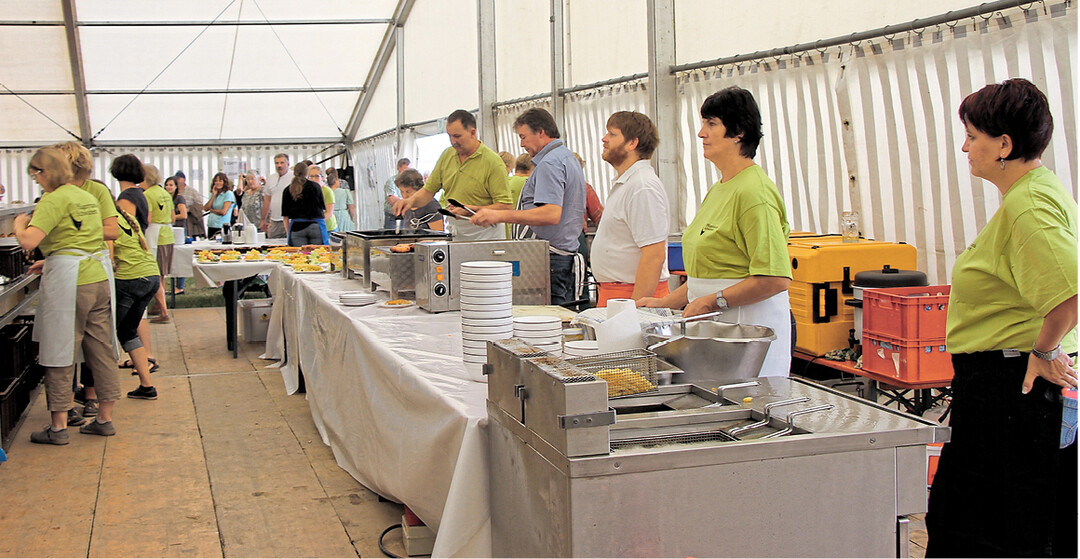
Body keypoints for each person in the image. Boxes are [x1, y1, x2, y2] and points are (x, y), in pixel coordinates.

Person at [925, 78, 1078, 558]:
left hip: (1014, 385)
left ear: (1004, 145)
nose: (965, 147)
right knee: (980, 519)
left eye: (972, 136)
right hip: (999, 383)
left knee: (994, 528)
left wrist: (1043, 350)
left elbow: (1070, 291)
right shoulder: (1028, 195)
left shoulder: (1029, 204)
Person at [639, 87, 792, 377]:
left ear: (738, 133)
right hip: (719, 330)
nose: (701, 133)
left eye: (711, 124)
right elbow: (708, 276)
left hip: (748, 333)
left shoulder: (753, 194)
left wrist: (712, 301)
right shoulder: (721, 188)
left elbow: (774, 278)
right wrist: (664, 303)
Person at [16, 146, 120, 443]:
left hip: (70, 282)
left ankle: (59, 426)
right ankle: (104, 417)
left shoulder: (53, 199)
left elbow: (28, 240)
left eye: (35, 174)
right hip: (98, 276)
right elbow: (85, 236)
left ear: (45, 172)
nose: (35, 180)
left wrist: (20, 224)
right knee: (101, 348)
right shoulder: (86, 196)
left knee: (60, 346)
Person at [470, 108, 586, 304]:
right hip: (563, 256)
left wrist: (500, 216)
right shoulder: (566, 157)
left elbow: (550, 214)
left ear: (541, 131)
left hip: (551, 258)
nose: (522, 144)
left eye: (524, 137)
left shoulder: (549, 163)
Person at [394, 110, 513, 241]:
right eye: (449, 136)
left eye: (457, 136)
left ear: (473, 133)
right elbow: (428, 191)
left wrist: (470, 210)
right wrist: (409, 202)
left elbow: (505, 206)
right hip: (456, 231)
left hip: (486, 234)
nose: (453, 141)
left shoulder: (493, 162)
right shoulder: (447, 155)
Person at [591, 111, 670, 306]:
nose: (604, 139)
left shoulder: (642, 186)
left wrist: (634, 311)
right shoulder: (628, 183)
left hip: (631, 295)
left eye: (612, 134)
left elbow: (654, 255)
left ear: (632, 143)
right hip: (616, 294)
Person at [108, 155, 160, 401]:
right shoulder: (140, 197)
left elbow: (111, 245)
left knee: (107, 331)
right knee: (128, 329)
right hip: (150, 274)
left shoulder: (123, 203)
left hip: (130, 276)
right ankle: (146, 385)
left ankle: (96, 392)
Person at [141, 164, 174, 324]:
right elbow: (173, 217)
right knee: (161, 275)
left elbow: (147, 219)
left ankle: (163, 311)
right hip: (168, 234)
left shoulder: (147, 194)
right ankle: (160, 306)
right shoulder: (165, 193)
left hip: (155, 234)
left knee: (154, 274)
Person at [281, 161, 328, 247]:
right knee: (319, 255)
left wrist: (289, 234)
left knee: (298, 257)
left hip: (296, 227)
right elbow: (323, 209)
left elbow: (285, 217)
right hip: (316, 226)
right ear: (307, 173)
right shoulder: (315, 186)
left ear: (294, 173)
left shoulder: (288, 190)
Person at [165, 176, 188, 294]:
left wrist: (169, 218)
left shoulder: (179, 199)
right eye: (167, 185)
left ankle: (180, 286)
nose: (168, 187)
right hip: (169, 230)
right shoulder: (165, 199)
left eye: (171, 185)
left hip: (179, 230)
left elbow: (184, 215)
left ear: (175, 187)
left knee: (179, 257)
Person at [260, 153, 291, 239]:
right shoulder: (271, 178)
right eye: (277, 163)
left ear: (288, 164)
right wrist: (263, 219)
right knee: (273, 245)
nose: (279, 165)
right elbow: (267, 199)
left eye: (282, 163)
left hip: (290, 220)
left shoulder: (294, 178)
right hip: (274, 220)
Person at [204, 172, 235, 239]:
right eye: (216, 181)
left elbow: (223, 212)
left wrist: (212, 210)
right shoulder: (213, 194)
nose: (218, 182)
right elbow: (206, 208)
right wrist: (214, 195)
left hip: (221, 226)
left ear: (224, 182)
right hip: (211, 225)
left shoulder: (228, 194)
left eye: (220, 181)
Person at [175, 171, 205, 240]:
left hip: (189, 220)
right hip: (176, 219)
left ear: (184, 180)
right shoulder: (173, 190)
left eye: (179, 179)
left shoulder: (192, 191)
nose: (177, 181)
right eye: (176, 179)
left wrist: (189, 209)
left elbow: (200, 205)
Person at [308, 164, 336, 233]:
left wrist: (316, 222)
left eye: (317, 176)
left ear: (322, 177)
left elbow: (329, 212)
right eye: (311, 176)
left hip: (327, 227)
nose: (313, 179)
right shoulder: (307, 191)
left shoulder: (327, 191)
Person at [383, 158, 409, 229]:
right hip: (392, 217)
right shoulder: (391, 181)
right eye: (405, 169)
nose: (407, 172)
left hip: (405, 216)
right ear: (399, 168)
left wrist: (399, 200)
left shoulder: (410, 182)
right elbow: (391, 200)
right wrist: (407, 201)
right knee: (390, 238)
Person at [328, 168, 356, 232]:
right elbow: (351, 208)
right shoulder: (345, 192)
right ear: (335, 181)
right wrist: (351, 218)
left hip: (330, 216)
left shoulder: (325, 192)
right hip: (343, 216)